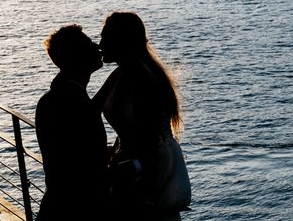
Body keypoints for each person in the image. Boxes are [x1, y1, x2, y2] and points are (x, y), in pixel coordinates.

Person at [94, 12, 190, 221]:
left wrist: (131, 169)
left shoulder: (144, 81)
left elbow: (148, 138)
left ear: (121, 41)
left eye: (105, 39)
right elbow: (89, 110)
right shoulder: (120, 74)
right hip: (131, 160)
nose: (99, 45)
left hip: (147, 167)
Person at [35, 25, 110, 221]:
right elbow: (82, 168)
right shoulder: (69, 103)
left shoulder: (56, 98)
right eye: (88, 44)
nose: (97, 46)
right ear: (77, 57)